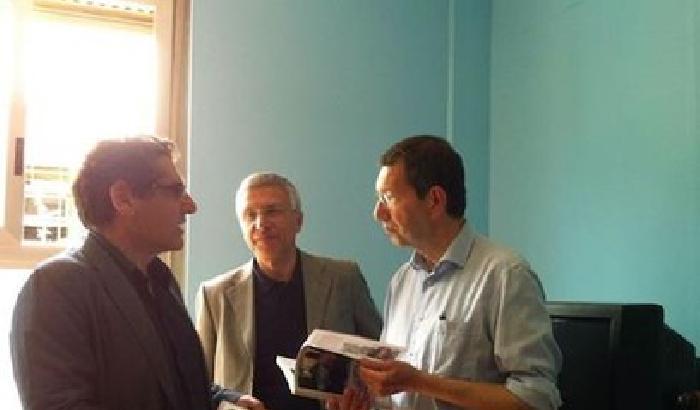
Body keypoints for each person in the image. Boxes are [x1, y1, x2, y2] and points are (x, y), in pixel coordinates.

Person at [10, 136, 237, 410]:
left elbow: (168, 384)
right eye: (175, 191)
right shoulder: (56, 287)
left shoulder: (160, 281)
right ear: (123, 198)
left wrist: (224, 400)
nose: (190, 206)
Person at [338, 135, 562, 410]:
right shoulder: (402, 280)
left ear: (434, 200)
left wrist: (421, 382)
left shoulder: (505, 275)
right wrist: (365, 403)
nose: (378, 213)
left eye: (389, 197)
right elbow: (397, 395)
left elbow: (537, 398)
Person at [196, 172, 382, 410]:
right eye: (250, 215)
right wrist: (232, 399)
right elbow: (197, 383)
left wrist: (361, 395)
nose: (261, 224)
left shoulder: (343, 279)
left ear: (298, 221)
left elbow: (381, 358)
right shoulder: (214, 295)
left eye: (272, 211)